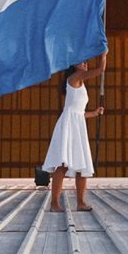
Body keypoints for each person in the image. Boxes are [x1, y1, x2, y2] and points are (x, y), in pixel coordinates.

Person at [42, 51, 107, 212]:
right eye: (82, 61)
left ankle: (81, 202)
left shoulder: (79, 82)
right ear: (73, 66)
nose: (85, 63)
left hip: (77, 123)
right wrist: (104, 55)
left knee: (82, 165)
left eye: (86, 61)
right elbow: (100, 70)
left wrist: (94, 112)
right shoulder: (75, 78)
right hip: (69, 124)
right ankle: (54, 204)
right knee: (63, 165)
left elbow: (80, 112)